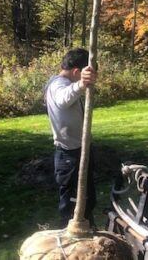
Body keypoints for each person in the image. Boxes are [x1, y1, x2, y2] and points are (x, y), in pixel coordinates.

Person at [44, 48, 97, 228]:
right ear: (76, 72)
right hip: (69, 156)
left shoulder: (63, 84)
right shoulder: (57, 85)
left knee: (86, 201)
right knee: (71, 207)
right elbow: (62, 99)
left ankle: (88, 232)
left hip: (79, 151)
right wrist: (81, 84)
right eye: (81, 75)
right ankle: (68, 246)